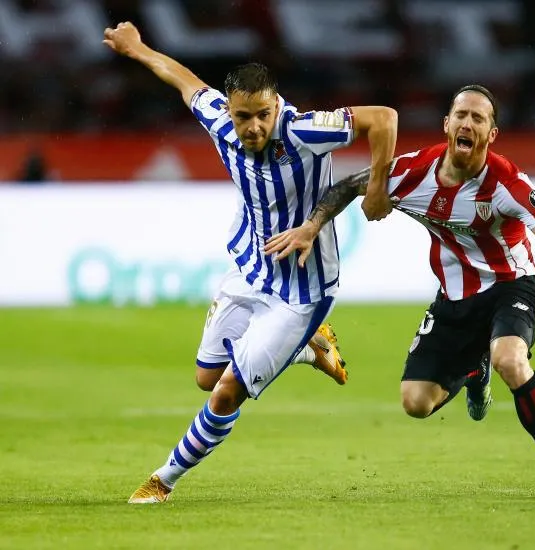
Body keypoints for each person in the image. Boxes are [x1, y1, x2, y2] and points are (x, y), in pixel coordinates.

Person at [265, 84, 535, 500]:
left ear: (491, 134)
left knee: (511, 360)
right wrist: (312, 227)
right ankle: (474, 369)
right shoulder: (416, 172)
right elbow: (346, 187)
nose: (468, 123)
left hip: (512, 285)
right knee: (415, 402)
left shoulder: (505, 181)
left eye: (479, 118)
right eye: (461, 115)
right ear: (447, 125)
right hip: (454, 299)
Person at [102, 22, 398, 503]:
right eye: (244, 117)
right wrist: (137, 49)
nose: (254, 126)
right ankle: (308, 349)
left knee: (225, 392)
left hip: (302, 293)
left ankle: (163, 479)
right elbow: (184, 81)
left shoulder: (303, 129)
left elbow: (383, 118)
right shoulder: (220, 121)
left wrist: (379, 184)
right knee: (204, 377)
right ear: (231, 111)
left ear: (276, 106)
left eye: (263, 114)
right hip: (249, 269)